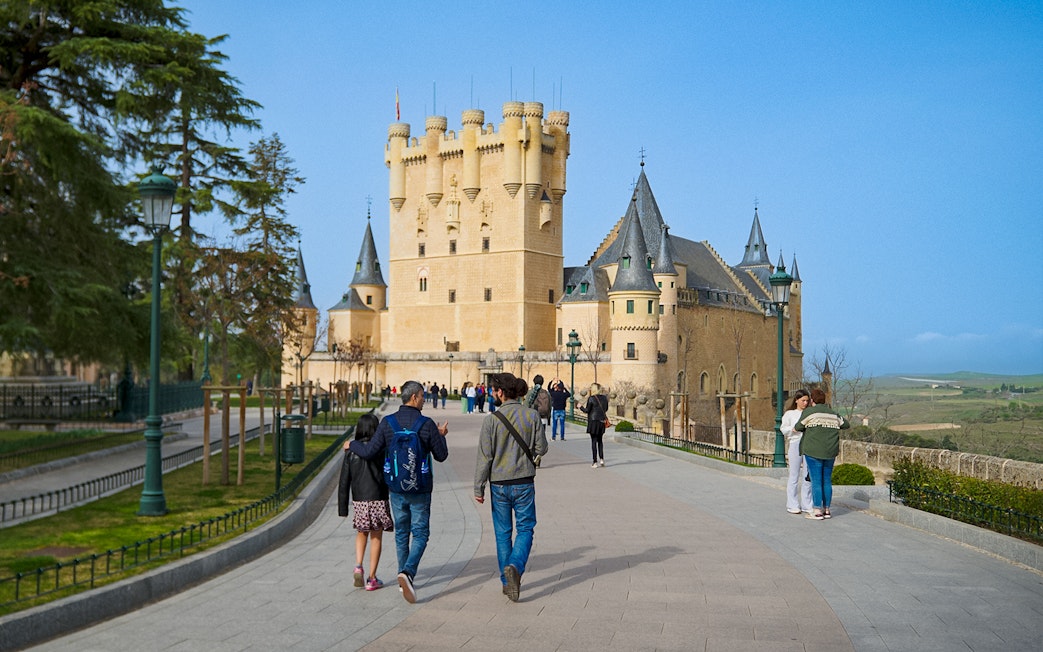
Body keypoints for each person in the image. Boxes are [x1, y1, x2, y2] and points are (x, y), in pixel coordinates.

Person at [349, 380, 449, 603]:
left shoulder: (387, 423)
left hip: (396, 488)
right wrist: (440, 435)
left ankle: (402, 574)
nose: (424, 400)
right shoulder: (426, 424)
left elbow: (369, 451)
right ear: (414, 397)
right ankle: (408, 573)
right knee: (421, 533)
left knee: (402, 533)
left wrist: (351, 445)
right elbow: (442, 456)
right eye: (422, 396)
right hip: (421, 489)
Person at [474, 372, 548, 602]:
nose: (492, 394)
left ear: (501, 392)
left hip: (498, 484)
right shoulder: (531, 416)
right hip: (524, 482)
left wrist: (478, 488)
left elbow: (485, 457)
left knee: (503, 534)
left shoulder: (491, 420)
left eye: (494, 390)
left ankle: (507, 582)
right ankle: (515, 566)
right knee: (525, 529)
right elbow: (542, 448)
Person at [338, 412, 393, 591]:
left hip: (359, 500)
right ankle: (372, 578)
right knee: (376, 536)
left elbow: (344, 481)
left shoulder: (351, 452)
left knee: (362, 532)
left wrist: (342, 508)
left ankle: (358, 565)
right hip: (378, 497)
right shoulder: (381, 450)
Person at [796, 388, 850, 521]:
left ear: (812, 400)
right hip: (830, 451)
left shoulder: (809, 412)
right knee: (826, 480)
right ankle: (827, 509)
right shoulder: (832, 413)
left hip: (813, 451)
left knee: (816, 481)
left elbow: (798, 427)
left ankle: (817, 510)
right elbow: (846, 424)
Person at [781, 388, 812, 515]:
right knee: (794, 475)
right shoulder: (790, 414)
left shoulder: (810, 413)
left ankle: (807, 503)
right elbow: (783, 429)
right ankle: (792, 503)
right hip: (795, 443)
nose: (805, 403)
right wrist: (793, 430)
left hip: (808, 444)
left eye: (807, 400)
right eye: (803, 400)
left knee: (807, 476)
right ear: (797, 400)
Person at [579, 383, 609, 468]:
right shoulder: (604, 398)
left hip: (593, 421)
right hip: (601, 421)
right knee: (600, 441)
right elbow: (606, 409)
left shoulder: (591, 398)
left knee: (593, 441)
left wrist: (580, 407)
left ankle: (595, 461)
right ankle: (602, 459)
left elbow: (587, 410)